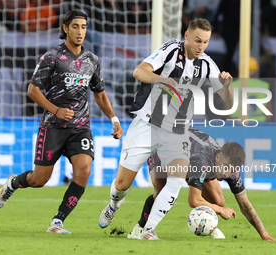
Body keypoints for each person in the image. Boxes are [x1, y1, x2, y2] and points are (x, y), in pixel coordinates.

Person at [99, 18, 234, 240]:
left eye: (206, 42)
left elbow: (227, 102)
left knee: (176, 179)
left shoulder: (208, 64)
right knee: (122, 184)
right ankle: (114, 204)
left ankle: (148, 229)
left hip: (176, 131)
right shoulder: (170, 50)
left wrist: (227, 87)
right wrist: (161, 80)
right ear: (186, 36)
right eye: (198, 40)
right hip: (148, 123)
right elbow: (139, 71)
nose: (201, 46)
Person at [0, 10, 123, 234]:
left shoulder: (92, 60)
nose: (80, 31)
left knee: (83, 170)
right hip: (52, 126)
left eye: (83, 27)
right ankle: (13, 183)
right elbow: (33, 90)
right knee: (39, 179)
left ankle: (58, 221)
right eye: (75, 26)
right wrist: (56, 110)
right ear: (65, 28)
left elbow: (100, 94)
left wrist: (114, 119)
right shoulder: (51, 57)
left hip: (80, 127)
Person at [127, 127, 276, 241]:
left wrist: (264, 234)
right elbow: (194, 200)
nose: (226, 173)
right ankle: (140, 229)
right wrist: (220, 210)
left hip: (188, 153)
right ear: (218, 157)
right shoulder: (201, 160)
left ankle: (209, 227)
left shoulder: (230, 169)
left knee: (218, 200)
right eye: (225, 167)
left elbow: (245, 205)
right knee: (161, 192)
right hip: (163, 149)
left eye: (231, 170)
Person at [226, 56, 274, 122]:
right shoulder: (263, 86)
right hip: (259, 123)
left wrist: (231, 122)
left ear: (240, 70)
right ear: (256, 71)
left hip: (237, 123)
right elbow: (269, 111)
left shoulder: (232, 85)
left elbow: (227, 108)